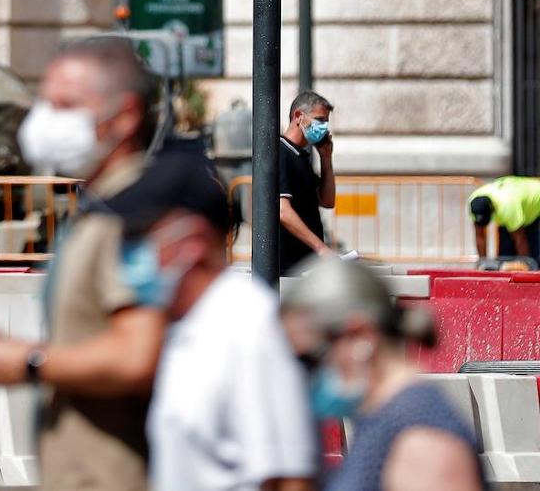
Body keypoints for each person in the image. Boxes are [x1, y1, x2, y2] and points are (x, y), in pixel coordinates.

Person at [0, 36, 165, 491]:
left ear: (124, 116)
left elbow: (136, 354)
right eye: (44, 103)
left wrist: (28, 361)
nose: (42, 120)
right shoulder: (96, 210)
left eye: (65, 104)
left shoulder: (133, 217)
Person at [116, 152, 317, 491]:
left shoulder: (248, 328)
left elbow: (290, 477)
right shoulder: (184, 325)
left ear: (191, 242)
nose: (125, 253)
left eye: (139, 239)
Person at [281, 257, 484, 491]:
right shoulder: (382, 419)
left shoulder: (422, 440)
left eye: (308, 360)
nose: (304, 376)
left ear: (359, 335)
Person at [279, 90, 336, 275]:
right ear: (298, 116)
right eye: (319, 120)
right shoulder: (281, 152)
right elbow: (282, 210)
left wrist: (326, 158)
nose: (323, 127)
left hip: (307, 265)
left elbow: (327, 201)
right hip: (290, 266)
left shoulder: (301, 156)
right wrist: (320, 248)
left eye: (325, 122)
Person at [467, 176, 540, 259]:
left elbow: (520, 239)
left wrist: (528, 265)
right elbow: (479, 235)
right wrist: (482, 263)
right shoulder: (473, 203)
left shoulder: (507, 207)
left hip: (536, 199)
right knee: (505, 256)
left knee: (534, 254)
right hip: (516, 202)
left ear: (493, 209)